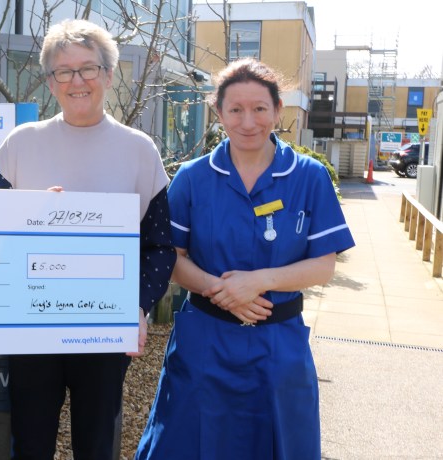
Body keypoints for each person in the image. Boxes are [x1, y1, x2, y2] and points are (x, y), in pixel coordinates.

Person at [135, 59, 356, 459]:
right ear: (218, 113)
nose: (248, 121)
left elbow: (323, 266)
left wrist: (257, 281)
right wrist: (223, 291)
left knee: (279, 442)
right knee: (188, 441)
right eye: (235, 109)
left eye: (259, 108)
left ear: (277, 111)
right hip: (204, 341)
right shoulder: (192, 177)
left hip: (279, 344)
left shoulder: (309, 176)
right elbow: (172, 257)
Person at [0, 19, 175, 460]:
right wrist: (30, 215)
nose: (77, 81)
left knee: (95, 445)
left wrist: (139, 306)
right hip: (31, 328)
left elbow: (160, 245)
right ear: (50, 81)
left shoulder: (139, 149)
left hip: (104, 330)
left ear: (108, 76)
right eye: (63, 71)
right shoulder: (20, 144)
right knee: (30, 444)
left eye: (88, 69)